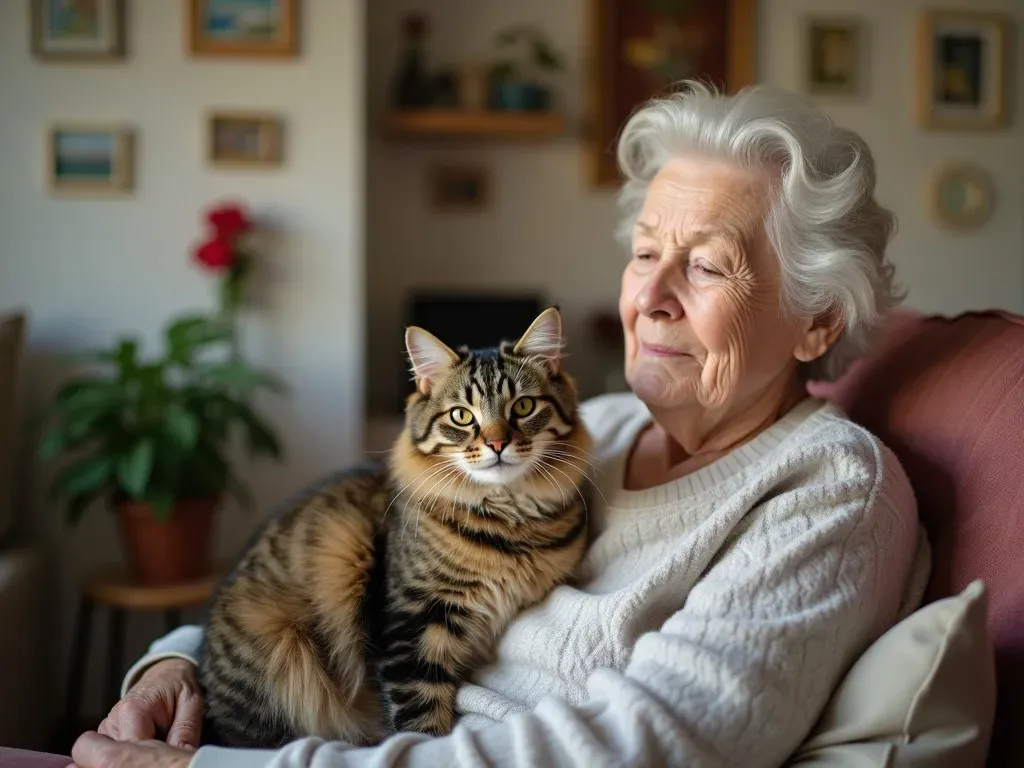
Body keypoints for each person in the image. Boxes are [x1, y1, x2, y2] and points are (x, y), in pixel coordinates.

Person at [71, 80, 930, 768]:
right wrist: (178, 662)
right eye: (643, 252)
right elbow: (383, 565)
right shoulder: (592, 427)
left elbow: (647, 746)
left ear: (817, 319)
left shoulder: (829, 492)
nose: (649, 296)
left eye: (706, 265)